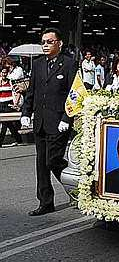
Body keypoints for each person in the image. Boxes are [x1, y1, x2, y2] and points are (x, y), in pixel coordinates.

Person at [21, 28, 76, 216]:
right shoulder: (37, 64)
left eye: (49, 41)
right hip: (41, 121)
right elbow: (32, 90)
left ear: (59, 43)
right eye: (43, 42)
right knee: (41, 164)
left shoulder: (69, 64)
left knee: (53, 160)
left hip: (59, 121)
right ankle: (45, 201)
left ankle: (76, 189)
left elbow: (74, 95)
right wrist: (26, 112)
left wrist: (67, 118)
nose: (45, 45)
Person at [0, 67, 23, 147]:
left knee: (4, 123)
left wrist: (15, 103)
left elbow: (19, 92)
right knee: (9, 124)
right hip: (0, 105)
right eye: (2, 72)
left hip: (8, 105)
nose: (4, 74)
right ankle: (19, 139)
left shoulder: (11, 82)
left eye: (5, 72)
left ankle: (0, 142)